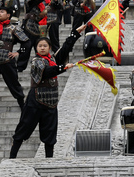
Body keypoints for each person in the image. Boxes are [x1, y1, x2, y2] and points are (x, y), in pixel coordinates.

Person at [9, 28, 82, 159]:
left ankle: (49, 159)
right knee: (24, 128)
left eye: (45, 46)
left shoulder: (52, 59)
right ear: (36, 48)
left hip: (51, 102)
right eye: (40, 46)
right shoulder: (36, 61)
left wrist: (75, 33)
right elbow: (47, 72)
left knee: (50, 133)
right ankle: (12, 157)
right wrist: (63, 67)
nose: (42, 48)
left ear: (49, 48)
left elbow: (65, 48)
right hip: (35, 101)